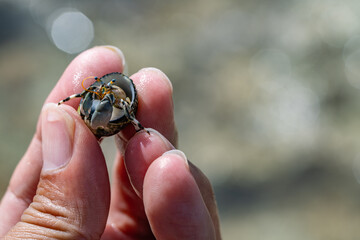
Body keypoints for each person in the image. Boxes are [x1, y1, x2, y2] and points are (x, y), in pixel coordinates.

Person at [0, 46, 221, 239]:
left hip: (118, 109)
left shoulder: (117, 97)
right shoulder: (102, 93)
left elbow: (119, 100)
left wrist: (132, 120)